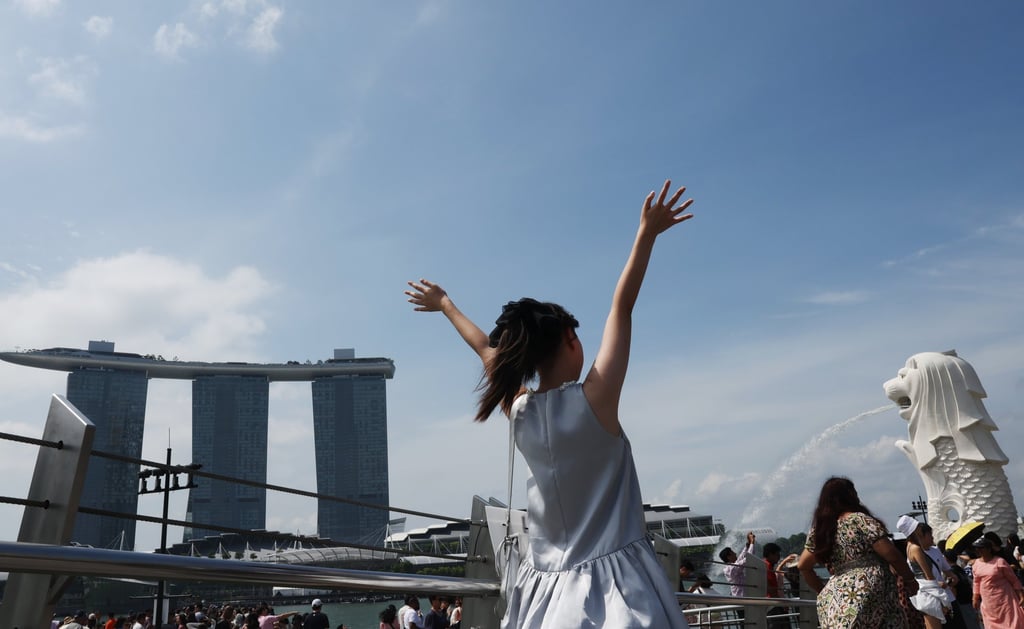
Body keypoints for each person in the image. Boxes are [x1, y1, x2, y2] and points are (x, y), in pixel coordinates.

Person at [406, 179, 695, 628]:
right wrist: (646, 234)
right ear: (569, 342)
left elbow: (485, 349)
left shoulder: (519, 410)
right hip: (618, 585)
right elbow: (622, 306)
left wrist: (446, 304)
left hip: (545, 590)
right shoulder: (596, 399)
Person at [797, 476, 918, 627]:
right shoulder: (859, 520)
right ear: (849, 495)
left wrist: (822, 591)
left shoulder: (821, 529)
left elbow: (803, 565)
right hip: (871, 589)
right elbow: (891, 554)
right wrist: (909, 579)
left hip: (837, 598)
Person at [896, 516, 960, 629]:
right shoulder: (916, 548)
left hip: (924, 594)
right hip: (932, 593)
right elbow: (928, 575)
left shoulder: (909, 547)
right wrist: (942, 600)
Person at [970, 536, 1024, 628]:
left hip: (1005, 599)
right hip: (988, 601)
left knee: (1011, 622)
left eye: (981, 548)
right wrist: (975, 597)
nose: (978, 550)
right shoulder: (976, 564)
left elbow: (1013, 580)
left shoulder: (1000, 562)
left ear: (988, 549)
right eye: (976, 548)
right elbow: (976, 582)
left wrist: (1021, 596)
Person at [720, 531, 756, 598]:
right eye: (733, 552)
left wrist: (748, 544)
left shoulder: (732, 566)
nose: (735, 554)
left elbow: (741, 557)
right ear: (729, 557)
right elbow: (748, 559)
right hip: (741, 599)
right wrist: (752, 542)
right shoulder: (730, 569)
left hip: (743, 597)